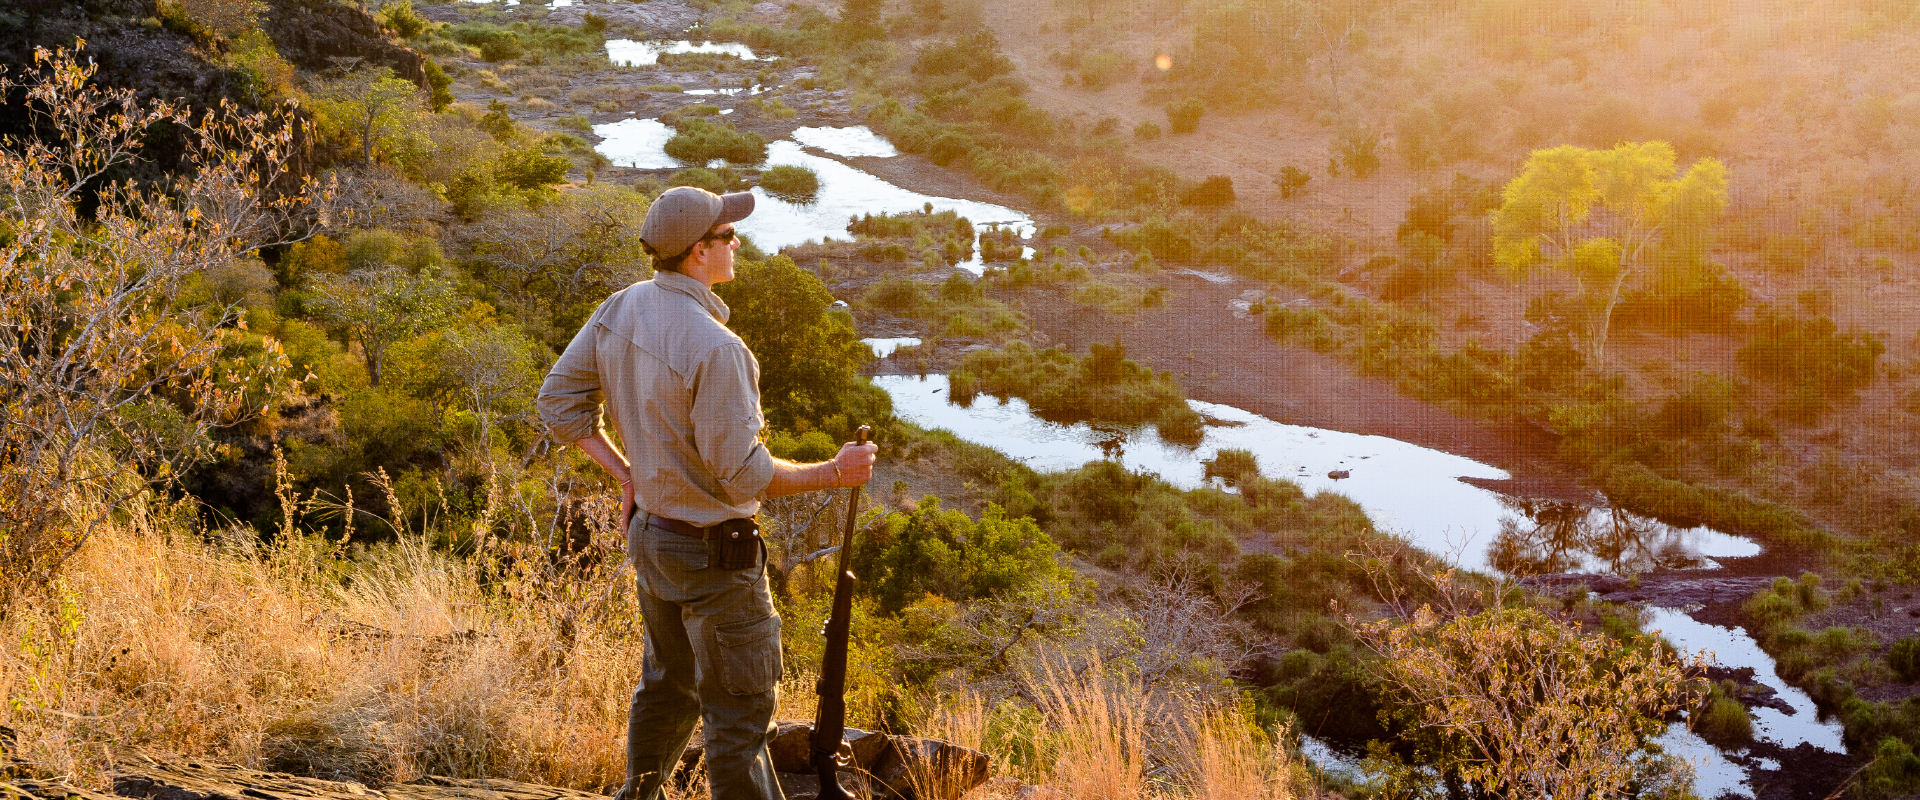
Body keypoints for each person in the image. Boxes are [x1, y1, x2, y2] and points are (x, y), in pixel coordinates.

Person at [536, 186, 879, 800]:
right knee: (738, 719)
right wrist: (835, 471)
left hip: (651, 538)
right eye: (727, 236)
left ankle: (637, 796)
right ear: (698, 252)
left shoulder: (623, 306)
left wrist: (629, 473)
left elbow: (559, 404)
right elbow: (744, 476)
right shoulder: (719, 349)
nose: (737, 242)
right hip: (716, 556)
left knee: (667, 686)